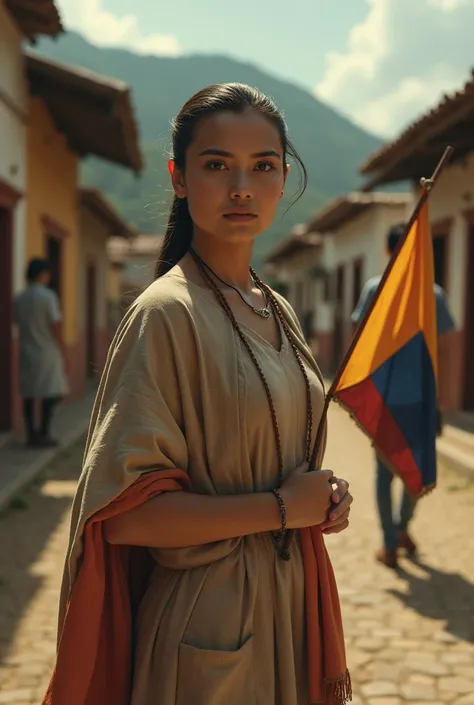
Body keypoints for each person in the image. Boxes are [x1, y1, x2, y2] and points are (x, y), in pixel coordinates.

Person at [42, 84, 354, 705]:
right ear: (179, 178)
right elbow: (125, 515)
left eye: (262, 166)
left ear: (283, 177)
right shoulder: (165, 314)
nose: (242, 187)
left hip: (288, 611)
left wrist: (323, 495)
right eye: (217, 165)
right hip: (207, 628)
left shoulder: (279, 310)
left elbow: (280, 461)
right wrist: (283, 509)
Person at [352, 222, 455, 569]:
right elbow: (442, 348)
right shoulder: (433, 293)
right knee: (416, 468)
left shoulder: (373, 288)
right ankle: (400, 529)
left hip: (384, 397)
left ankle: (390, 542)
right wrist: (440, 401)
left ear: (386, 250)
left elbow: (358, 340)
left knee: (385, 473)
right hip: (420, 398)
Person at [14, 258, 69, 447]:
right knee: (51, 393)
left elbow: (16, 322)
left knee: (29, 394)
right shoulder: (48, 296)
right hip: (47, 350)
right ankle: (44, 432)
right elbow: (55, 324)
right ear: (43, 274)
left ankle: (31, 434)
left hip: (27, 349)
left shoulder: (20, 298)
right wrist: (62, 346)